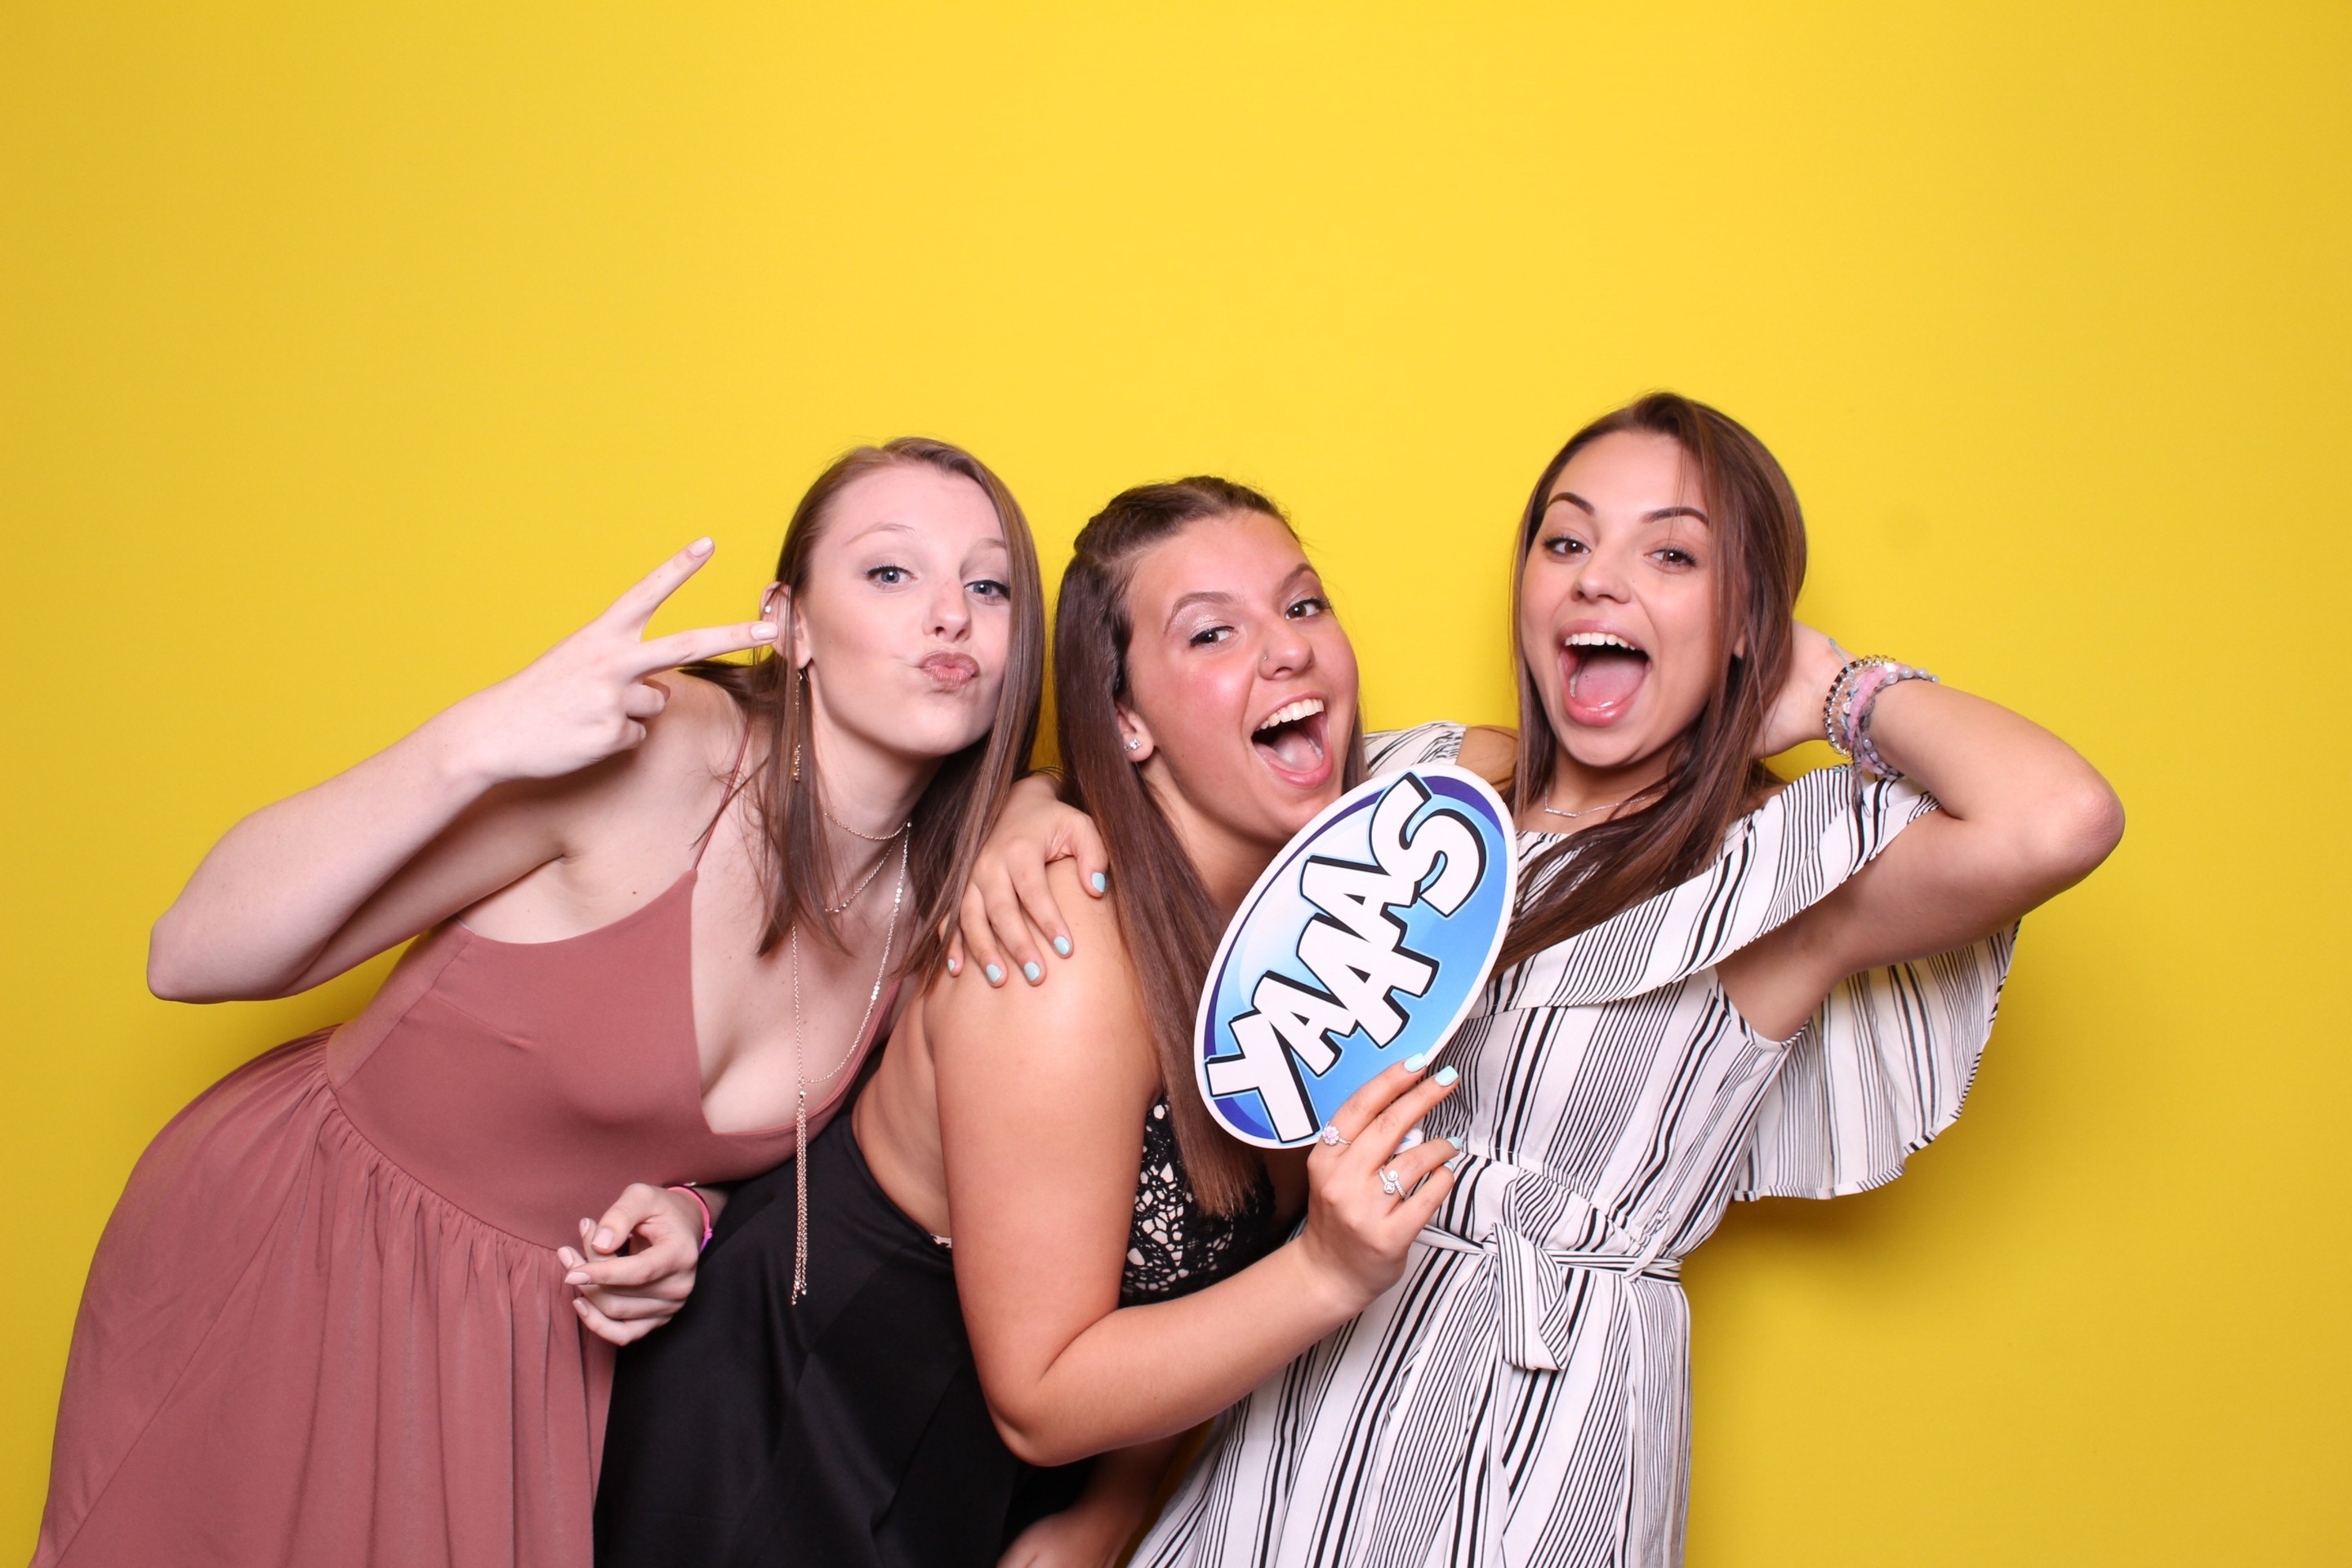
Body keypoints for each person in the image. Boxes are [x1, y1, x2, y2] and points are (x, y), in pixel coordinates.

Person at [974, 395, 2125, 1567]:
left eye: (1671, 555)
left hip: (1548, 1431)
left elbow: (2060, 819)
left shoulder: (1776, 874)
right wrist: (1034, 808)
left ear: (1745, 618)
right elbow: (1184, 788)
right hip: (1303, 1403)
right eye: (1567, 541)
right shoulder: (1413, 784)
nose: (1598, 581)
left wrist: (1833, 691)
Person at [33, 437, 1046, 1568]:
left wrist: (692, 1213)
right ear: (790, 624)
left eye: (990, 585)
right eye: (892, 572)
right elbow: (190, 954)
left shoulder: (945, 906)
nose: (950, 614)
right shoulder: (659, 756)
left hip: (532, 1352)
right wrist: (476, 741)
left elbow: (760, 1154)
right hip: (305, 1256)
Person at [595, 479, 1465, 1568]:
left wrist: (1111, 1508)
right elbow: (1043, 1396)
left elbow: (1530, 765)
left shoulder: (1321, 924)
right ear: (1126, 719)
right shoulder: (1061, 951)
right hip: (793, 1440)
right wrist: (1329, 1273)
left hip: (989, 1477)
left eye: (1302, 606)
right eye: (1212, 632)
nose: (1288, 649)